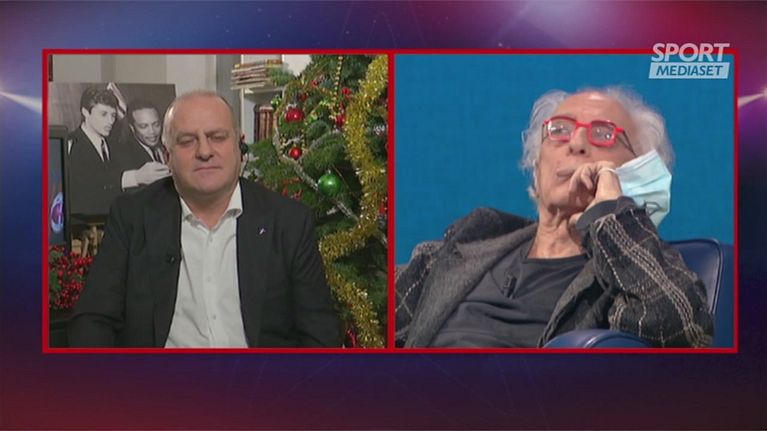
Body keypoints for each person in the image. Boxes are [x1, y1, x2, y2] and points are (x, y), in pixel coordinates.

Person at [396, 87, 713, 348]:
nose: (576, 143)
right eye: (559, 130)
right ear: (536, 165)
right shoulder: (453, 250)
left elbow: (681, 332)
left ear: (637, 170)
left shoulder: (636, 275)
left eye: (603, 134)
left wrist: (610, 212)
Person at [68, 90, 341, 348]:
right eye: (187, 141)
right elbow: (93, 321)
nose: (204, 152)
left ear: (239, 145)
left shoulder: (288, 221)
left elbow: (320, 334)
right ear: (167, 156)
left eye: (217, 137)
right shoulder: (132, 217)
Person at [66, 86, 122, 216]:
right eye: (103, 114)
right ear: (85, 112)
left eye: (113, 115)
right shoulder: (71, 145)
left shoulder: (114, 145)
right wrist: (134, 177)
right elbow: (87, 185)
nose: (110, 121)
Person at [115, 99, 171, 192]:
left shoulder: (164, 146)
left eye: (156, 124)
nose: (152, 132)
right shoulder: (123, 156)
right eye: (144, 126)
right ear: (132, 128)